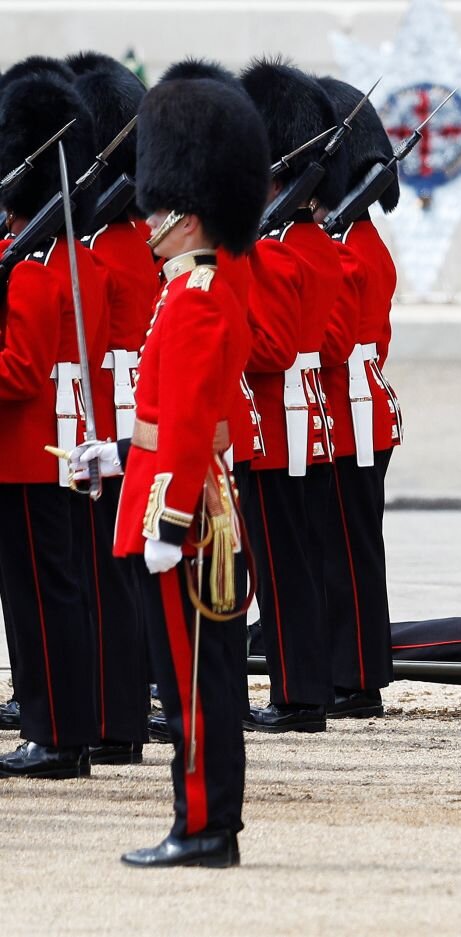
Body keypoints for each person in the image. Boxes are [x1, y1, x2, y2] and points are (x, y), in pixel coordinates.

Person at [71, 75, 269, 867]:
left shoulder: (192, 298)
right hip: (180, 495)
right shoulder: (201, 290)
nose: (146, 221)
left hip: (180, 518)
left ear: (185, 214)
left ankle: (203, 825)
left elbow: (188, 426)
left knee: (192, 678)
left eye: (157, 210)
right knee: (200, 673)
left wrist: (168, 519)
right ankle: (208, 817)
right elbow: (175, 421)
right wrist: (115, 456)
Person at [0, 67, 105, 779]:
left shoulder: (36, 275)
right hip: (40, 456)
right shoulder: (42, 264)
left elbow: (20, 373)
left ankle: (55, 736)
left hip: (29, 460)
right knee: (47, 603)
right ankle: (60, 728)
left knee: (42, 607)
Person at [238, 59, 348, 734]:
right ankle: (305, 689)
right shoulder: (315, 244)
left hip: (279, 426)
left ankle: (297, 695)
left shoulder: (276, 253)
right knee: (300, 564)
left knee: (282, 570)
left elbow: (272, 349)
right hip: (309, 423)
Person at [68, 50, 158, 767]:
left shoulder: (103, 249)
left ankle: (117, 713)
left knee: (109, 572)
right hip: (124, 411)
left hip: (110, 416)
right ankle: (120, 705)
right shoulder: (134, 241)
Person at [314, 76, 404, 719]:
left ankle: (355, 678)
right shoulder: (359, 239)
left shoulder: (346, 249)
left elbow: (331, 344)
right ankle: (354, 669)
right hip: (359, 409)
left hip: (347, 412)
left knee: (345, 551)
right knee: (349, 548)